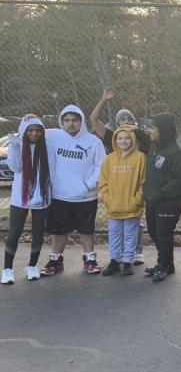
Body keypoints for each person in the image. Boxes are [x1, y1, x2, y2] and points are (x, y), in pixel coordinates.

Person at [40, 105, 105, 276]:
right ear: (61, 121)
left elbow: (101, 166)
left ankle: (90, 260)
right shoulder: (52, 136)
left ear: (81, 121)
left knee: (86, 230)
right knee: (59, 230)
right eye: (67, 120)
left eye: (74, 120)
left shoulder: (94, 142)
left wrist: (89, 185)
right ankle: (55, 260)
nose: (70, 124)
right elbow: (31, 132)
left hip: (85, 196)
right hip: (60, 194)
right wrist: (29, 118)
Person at [90, 86, 150, 264]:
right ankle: (117, 256)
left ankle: (134, 252)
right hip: (116, 188)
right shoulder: (112, 137)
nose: (124, 122)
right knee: (116, 227)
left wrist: (137, 130)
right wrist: (104, 99)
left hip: (134, 187)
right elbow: (93, 120)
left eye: (128, 119)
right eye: (121, 120)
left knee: (134, 222)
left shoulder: (141, 139)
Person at [2, 116, 54, 284]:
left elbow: (52, 171)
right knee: (15, 231)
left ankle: (32, 266)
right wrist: (15, 147)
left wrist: (47, 193)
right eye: (30, 130)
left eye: (38, 130)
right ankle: (7, 269)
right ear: (24, 131)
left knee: (38, 232)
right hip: (20, 197)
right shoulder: (17, 145)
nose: (34, 133)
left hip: (41, 197)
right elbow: (16, 167)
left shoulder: (48, 148)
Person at [142, 113, 181, 282]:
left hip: (169, 202)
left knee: (163, 233)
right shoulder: (153, 147)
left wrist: (157, 194)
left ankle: (164, 266)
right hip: (152, 201)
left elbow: (177, 182)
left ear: (163, 130)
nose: (150, 131)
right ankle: (167, 264)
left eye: (153, 128)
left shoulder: (178, 154)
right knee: (155, 233)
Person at [98, 127, 146, 276]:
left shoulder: (140, 158)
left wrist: (137, 200)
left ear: (132, 139)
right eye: (120, 138)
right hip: (114, 207)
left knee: (131, 235)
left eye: (127, 138)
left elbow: (144, 182)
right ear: (115, 140)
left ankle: (127, 262)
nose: (123, 141)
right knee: (114, 235)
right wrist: (108, 199)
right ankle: (114, 262)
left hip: (132, 207)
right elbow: (103, 182)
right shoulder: (109, 159)